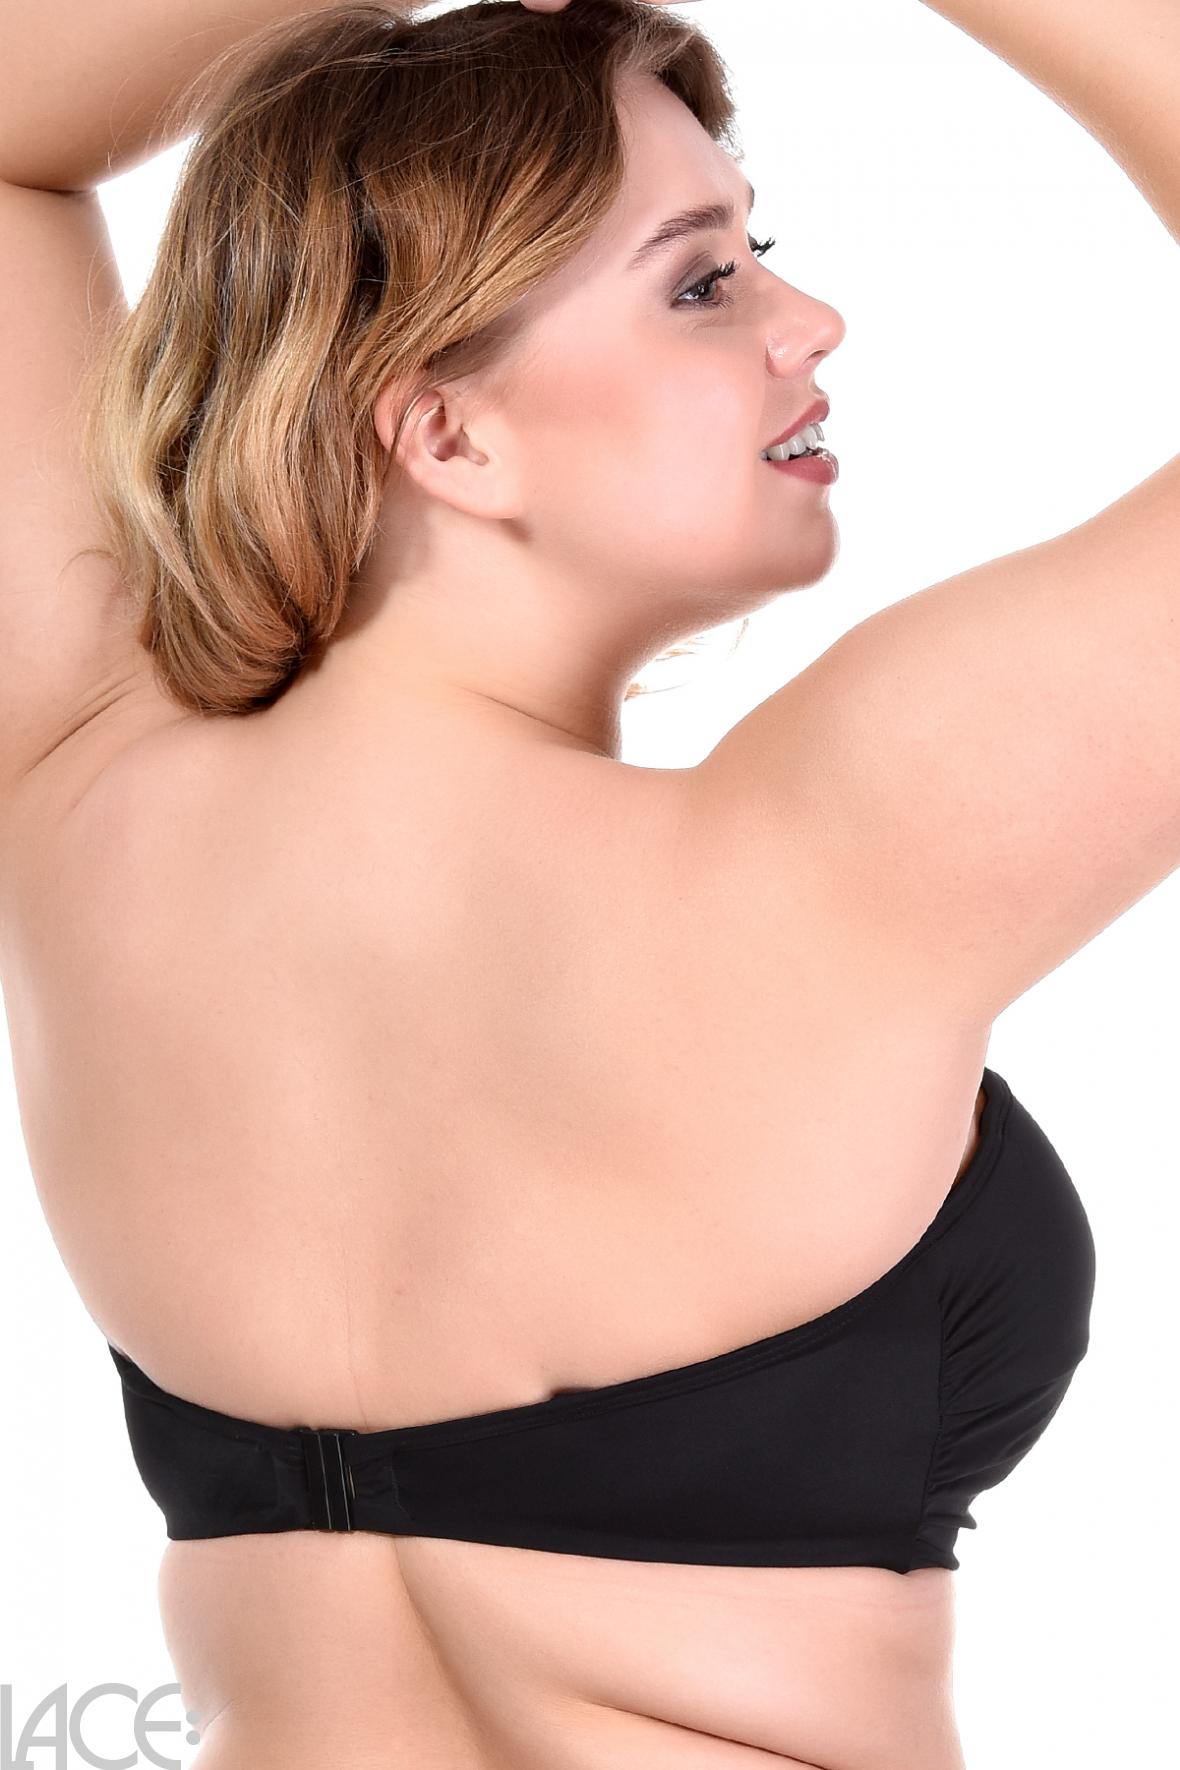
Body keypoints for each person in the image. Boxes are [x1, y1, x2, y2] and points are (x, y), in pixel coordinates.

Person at [0, 0, 1173, 1763]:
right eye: (703, 282)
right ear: (447, 436)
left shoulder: (79, 795)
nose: (811, 320)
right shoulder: (833, 850)